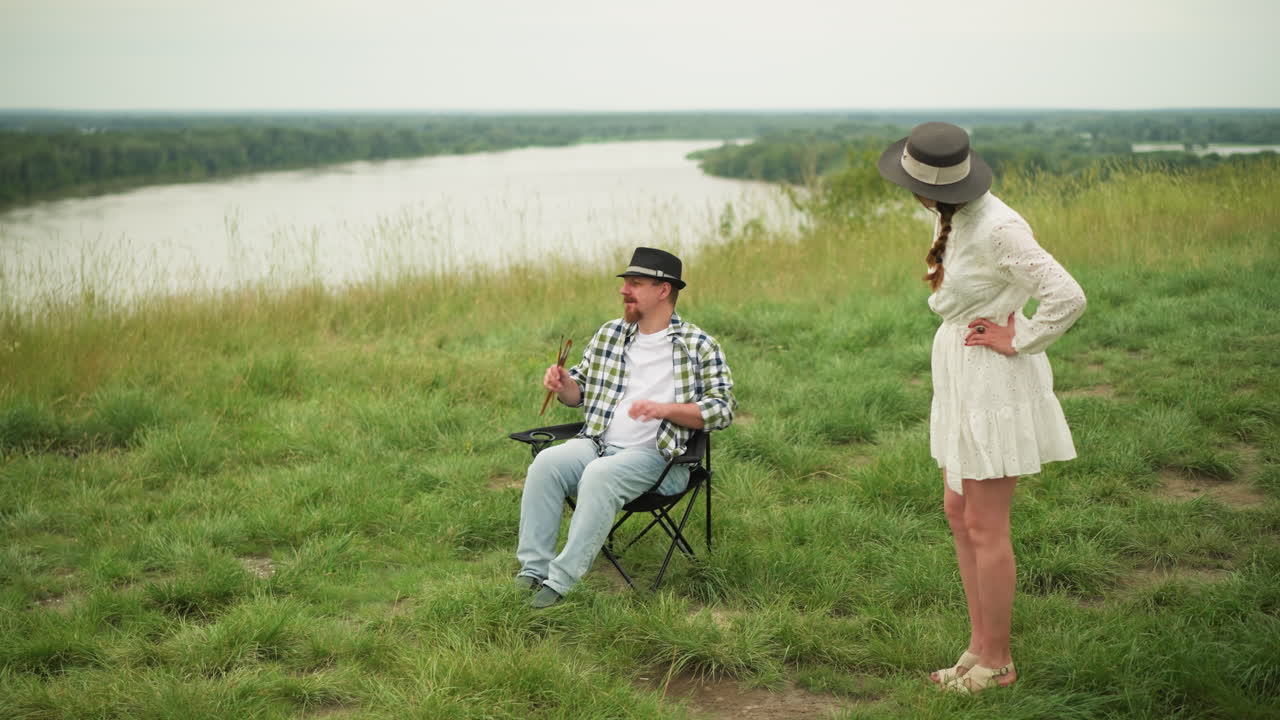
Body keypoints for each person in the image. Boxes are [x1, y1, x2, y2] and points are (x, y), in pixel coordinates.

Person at [877, 122, 1086, 692]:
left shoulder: (1002, 228)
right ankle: (978, 646)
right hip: (959, 374)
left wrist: (1017, 338)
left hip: (993, 378)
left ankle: (999, 663)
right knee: (957, 512)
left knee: (985, 523)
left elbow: (1068, 294)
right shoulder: (950, 214)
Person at [515, 247, 736, 608]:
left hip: (661, 460)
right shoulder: (610, 334)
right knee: (546, 465)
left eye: (635, 283)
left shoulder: (699, 346)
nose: (624, 290)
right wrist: (563, 384)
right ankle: (532, 570)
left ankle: (560, 584)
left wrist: (667, 409)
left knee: (600, 475)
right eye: (625, 283)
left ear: (663, 290)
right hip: (598, 443)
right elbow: (579, 392)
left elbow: (723, 410)